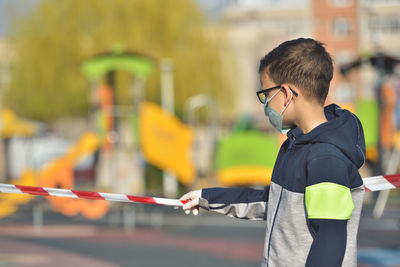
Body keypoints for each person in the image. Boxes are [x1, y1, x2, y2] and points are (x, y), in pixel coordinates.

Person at [179, 38, 365, 267]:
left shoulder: (325, 160)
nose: (265, 103)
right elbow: (272, 201)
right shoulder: (296, 146)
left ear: (286, 94)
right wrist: (207, 198)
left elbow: (330, 236)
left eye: (266, 95)